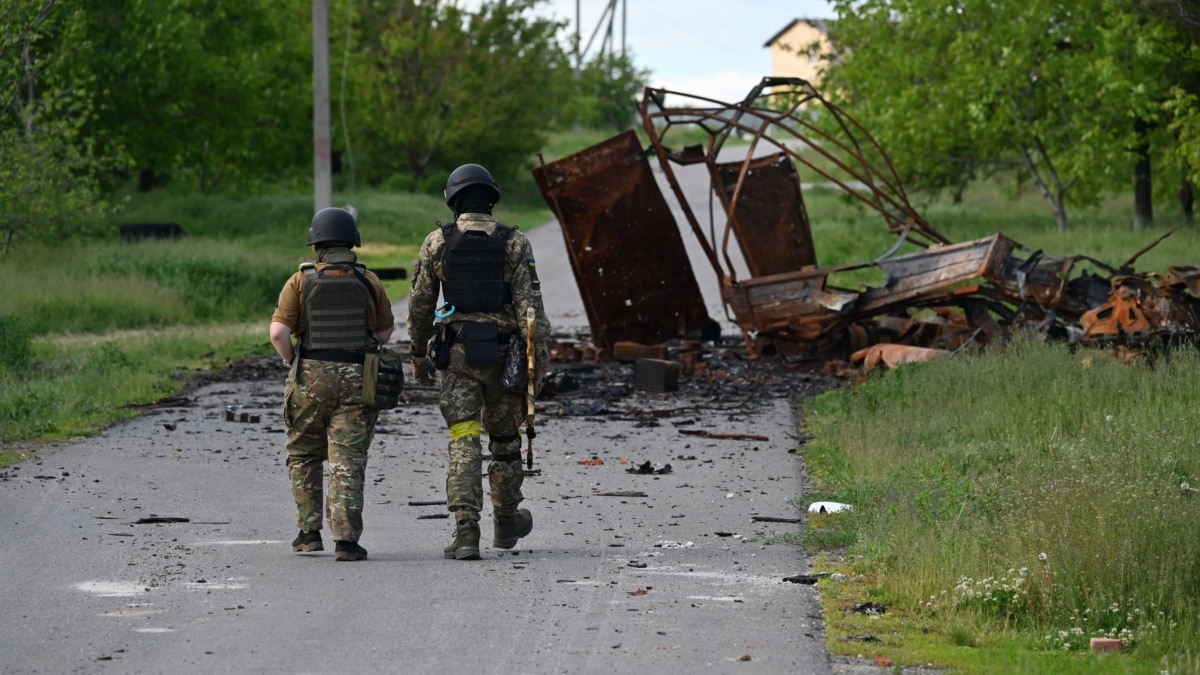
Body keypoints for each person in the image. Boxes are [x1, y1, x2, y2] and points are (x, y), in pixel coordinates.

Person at [408, 163, 551, 561]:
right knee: (505, 441)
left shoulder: (437, 242)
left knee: (464, 437)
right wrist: (538, 363)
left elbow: (420, 306)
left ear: (453, 200)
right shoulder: (515, 243)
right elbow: (530, 314)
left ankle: (466, 530)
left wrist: (418, 354)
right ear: (491, 199)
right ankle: (506, 521)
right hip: (506, 357)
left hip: (457, 357)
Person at [269, 207, 395, 562]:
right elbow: (385, 332)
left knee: (304, 453)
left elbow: (278, 332)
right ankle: (346, 540)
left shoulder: (301, 281)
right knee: (347, 459)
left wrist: (290, 359)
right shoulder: (369, 280)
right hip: (358, 379)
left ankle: (308, 533)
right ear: (352, 241)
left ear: (316, 244)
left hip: (310, 378)